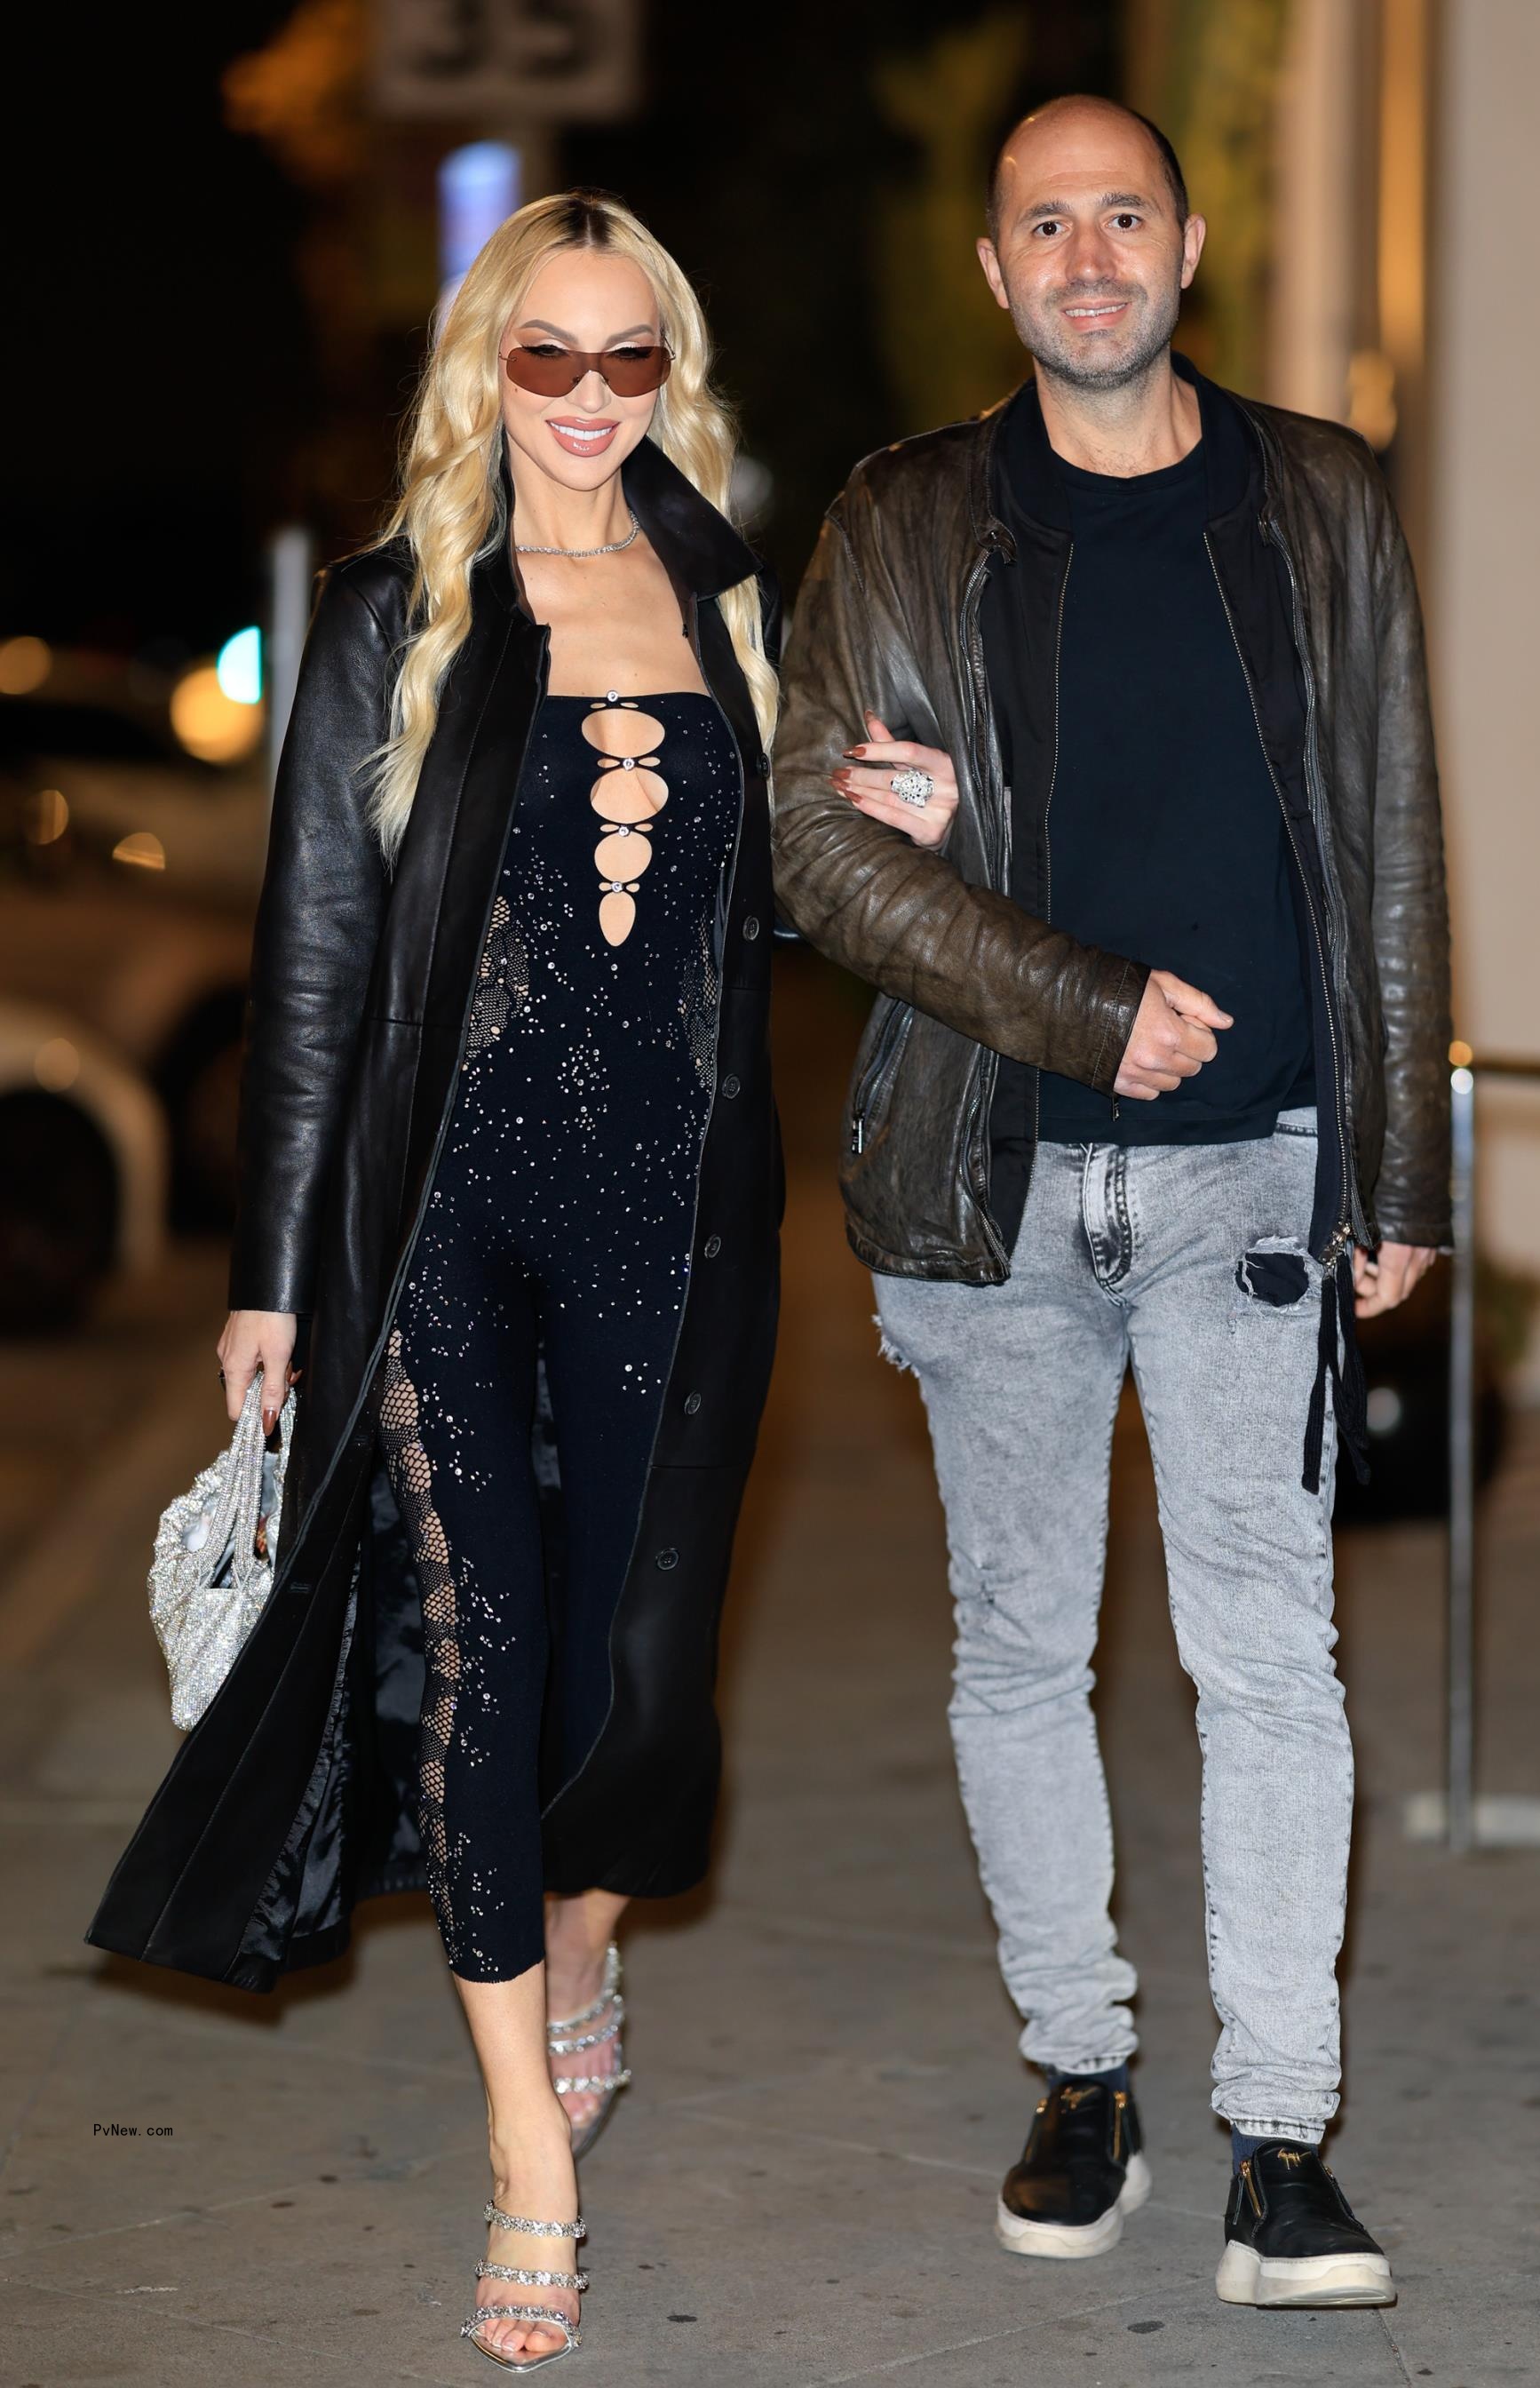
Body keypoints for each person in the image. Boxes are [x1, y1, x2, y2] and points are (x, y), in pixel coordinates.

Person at [85, 189, 785, 2369]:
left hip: (678, 1221)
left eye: (627, 360)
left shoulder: (729, 596)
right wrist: (274, 1267)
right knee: (482, 1656)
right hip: (445, 1223)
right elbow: (313, 961)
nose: (584, 404)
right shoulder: (399, 607)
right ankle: (525, 2150)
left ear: (671, 373)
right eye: (544, 359)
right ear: (487, 368)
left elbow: (769, 922)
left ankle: (583, 1949)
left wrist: (893, 816)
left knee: (634, 1681)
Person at [771, 95, 1449, 2312]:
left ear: (1181, 252)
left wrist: (1401, 1163)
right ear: (994, 271)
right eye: (1042, 223)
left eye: (1121, 215)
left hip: (1256, 1169)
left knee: (1269, 1656)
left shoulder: (1323, 498)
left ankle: (1280, 2138)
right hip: (995, 1181)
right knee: (1018, 1654)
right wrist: (1081, 1003)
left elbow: (1393, 841)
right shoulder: (900, 521)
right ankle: (1083, 2072)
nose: (1084, 255)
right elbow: (815, 849)